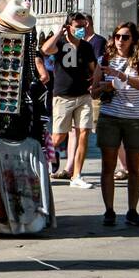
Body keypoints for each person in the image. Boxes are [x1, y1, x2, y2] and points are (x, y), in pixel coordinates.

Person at [94, 22, 139, 227]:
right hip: (110, 117)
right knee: (107, 166)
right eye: (117, 36)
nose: (120, 40)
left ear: (134, 40)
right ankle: (109, 210)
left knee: (134, 168)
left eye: (125, 37)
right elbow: (92, 91)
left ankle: (132, 210)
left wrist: (119, 75)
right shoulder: (104, 60)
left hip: (136, 118)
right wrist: (106, 86)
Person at [39, 11, 96, 188]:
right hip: (63, 96)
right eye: (78, 26)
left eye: (83, 26)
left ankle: (76, 175)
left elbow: (93, 67)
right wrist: (58, 33)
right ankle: (38, 162)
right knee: (59, 137)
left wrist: (94, 81)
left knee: (84, 133)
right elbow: (46, 50)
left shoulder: (86, 46)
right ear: (69, 27)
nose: (81, 29)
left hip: (83, 95)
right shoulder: (61, 44)